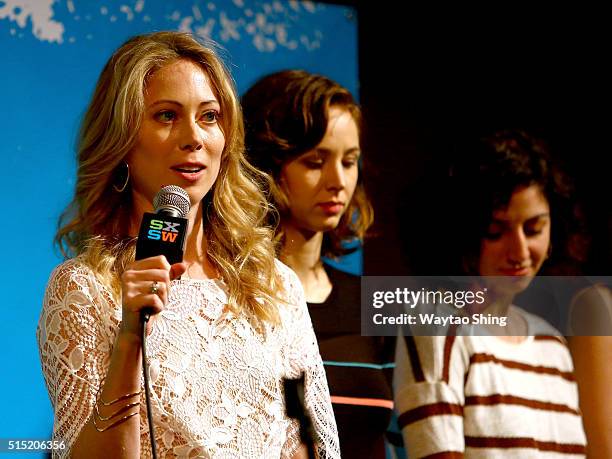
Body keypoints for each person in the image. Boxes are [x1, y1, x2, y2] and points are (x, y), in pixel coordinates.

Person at [37, 32, 340, 459]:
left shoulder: (273, 286)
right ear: (121, 140)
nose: (194, 137)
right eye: (166, 116)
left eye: (210, 116)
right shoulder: (84, 291)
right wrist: (130, 337)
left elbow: (316, 444)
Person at [394, 130, 587, 457]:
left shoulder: (552, 346)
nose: (520, 251)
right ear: (462, 235)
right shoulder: (438, 324)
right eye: (495, 232)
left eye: (534, 228)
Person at [242, 70, 398, 459]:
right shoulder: (235, 298)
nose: (337, 181)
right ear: (265, 165)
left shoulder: (371, 305)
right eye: (315, 161)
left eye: (349, 161)